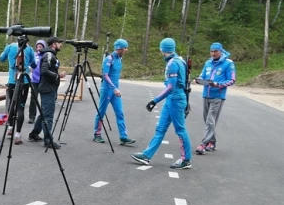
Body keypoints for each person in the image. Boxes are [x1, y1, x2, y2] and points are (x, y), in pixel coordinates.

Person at [131, 38, 192, 169]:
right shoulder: (179, 60)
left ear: (162, 49)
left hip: (175, 99)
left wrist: (154, 101)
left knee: (180, 130)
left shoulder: (173, 64)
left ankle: (186, 159)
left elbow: (171, 87)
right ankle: (147, 155)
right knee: (160, 129)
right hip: (173, 99)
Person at [194, 42, 236, 154]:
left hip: (218, 96)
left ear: (220, 51)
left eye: (215, 51)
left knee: (210, 120)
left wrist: (218, 84)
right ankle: (212, 142)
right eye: (211, 51)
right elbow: (203, 76)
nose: (213, 53)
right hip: (206, 95)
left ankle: (203, 144)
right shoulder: (208, 63)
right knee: (206, 119)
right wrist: (198, 80)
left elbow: (232, 80)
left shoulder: (228, 63)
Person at [93, 39, 136, 145]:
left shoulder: (120, 59)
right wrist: (114, 88)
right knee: (101, 112)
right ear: (119, 48)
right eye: (125, 48)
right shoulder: (109, 58)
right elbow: (105, 75)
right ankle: (97, 134)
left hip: (115, 91)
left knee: (120, 113)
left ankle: (123, 136)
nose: (126, 50)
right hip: (108, 90)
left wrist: (116, 88)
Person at [28, 36, 65, 149]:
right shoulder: (49, 55)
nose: (61, 45)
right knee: (48, 116)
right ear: (54, 44)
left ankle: (34, 134)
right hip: (47, 89)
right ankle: (48, 140)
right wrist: (57, 75)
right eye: (59, 43)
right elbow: (44, 70)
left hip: (49, 88)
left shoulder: (50, 55)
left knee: (44, 113)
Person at [0, 39, 36, 144]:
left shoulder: (10, 47)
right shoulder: (29, 49)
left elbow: (1, 58)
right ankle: (18, 135)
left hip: (12, 81)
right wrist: (28, 64)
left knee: (12, 104)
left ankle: (10, 129)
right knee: (21, 107)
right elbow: (34, 65)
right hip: (24, 81)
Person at [28, 40, 46, 124]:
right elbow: (29, 63)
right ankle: (32, 117)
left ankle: (43, 116)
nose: (38, 48)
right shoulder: (34, 55)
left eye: (40, 47)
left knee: (43, 99)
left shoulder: (46, 55)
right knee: (33, 99)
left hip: (43, 80)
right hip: (34, 80)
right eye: (37, 46)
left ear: (44, 47)